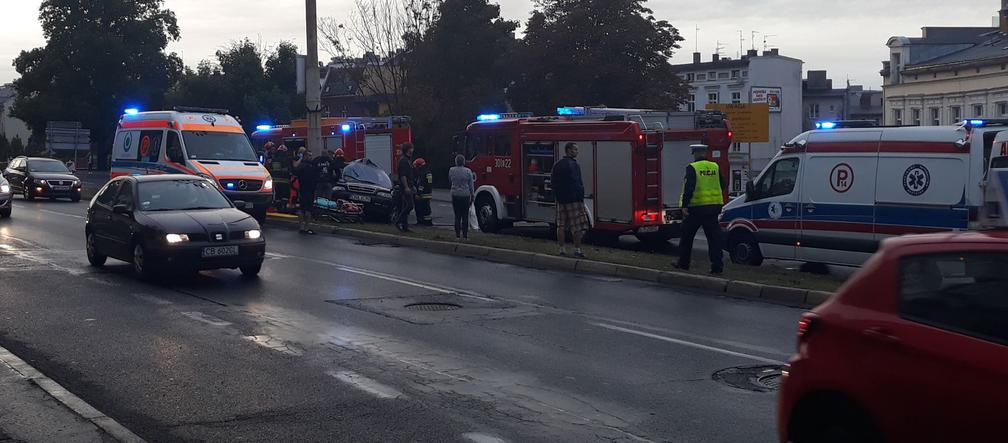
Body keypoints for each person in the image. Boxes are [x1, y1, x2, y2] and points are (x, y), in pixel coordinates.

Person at [677, 144, 728, 274]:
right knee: (714, 239)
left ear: (694, 153)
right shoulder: (715, 167)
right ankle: (717, 266)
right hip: (713, 207)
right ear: (705, 153)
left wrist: (684, 205)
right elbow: (723, 184)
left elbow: (689, 187)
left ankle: (683, 264)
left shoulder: (692, 168)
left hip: (696, 208)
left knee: (686, 236)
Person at [551, 142, 589, 257]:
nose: (577, 152)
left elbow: (553, 181)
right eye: (575, 150)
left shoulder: (557, 164)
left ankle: (561, 250)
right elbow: (577, 183)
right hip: (573, 200)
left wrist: (558, 196)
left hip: (561, 200)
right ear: (568, 150)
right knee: (577, 226)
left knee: (561, 225)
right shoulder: (574, 165)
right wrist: (580, 197)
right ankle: (577, 250)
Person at [292, 147, 319, 235]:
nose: (310, 157)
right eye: (309, 155)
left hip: (305, 190)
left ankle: (302, 227)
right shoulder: (307, 166)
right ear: (305, 156)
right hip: (305, 190)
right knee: (306, 209)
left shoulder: (305, 165)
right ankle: (306, 227)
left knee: (302, 209)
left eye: (311, 155)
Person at [449, 154, 475, 240]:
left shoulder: (451, 170)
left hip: (455, 194)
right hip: (465, 195)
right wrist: (472, 195)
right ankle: (465, 236)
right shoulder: (468, 171)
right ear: (464, 162)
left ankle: (457, 235)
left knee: (457, 215)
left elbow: (450, 180)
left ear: (456, 161)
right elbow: (471, 185)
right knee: (465, 215)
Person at [395, 143, 416, 232]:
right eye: (411, 148)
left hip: (409, 185)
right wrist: (406, 187)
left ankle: (405, 226)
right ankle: (398, 221)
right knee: (410, 205)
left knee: (405, 205)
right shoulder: (404, 161)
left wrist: (413, 186)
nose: (413, 150)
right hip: (405, 187)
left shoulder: (407, 160)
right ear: (408, 149)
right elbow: (403, 176)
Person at [412, 157, 434, 226]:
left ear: (419, 165)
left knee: (419, 208)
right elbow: (429, 184)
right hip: (428, 194)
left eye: (416, 166)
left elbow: (421, 184)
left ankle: (420, 222)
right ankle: (428, 222)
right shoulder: (428, 172)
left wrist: (418, 194)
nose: (416, 168)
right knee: (427, 209)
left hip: (422, 195)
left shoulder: (422, 173)